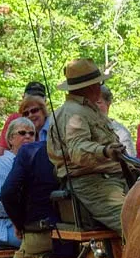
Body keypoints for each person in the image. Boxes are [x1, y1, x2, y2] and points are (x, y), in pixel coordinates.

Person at [45, 58, 127, 233]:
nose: (100, 87)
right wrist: (105, 151)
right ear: (90, 87)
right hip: (93, 185)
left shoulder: (88, 109)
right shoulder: (73, 113)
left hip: (112, 179)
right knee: (137, 224)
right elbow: (77, 150)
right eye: (99, 83)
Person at [0, 116, 36, 248]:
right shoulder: (1, 165)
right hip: (3, 227)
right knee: (41, 244)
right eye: (22, 133)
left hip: (30, 224)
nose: (28, 136)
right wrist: (23, 212)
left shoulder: (35, 163)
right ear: (11, 139)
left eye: (32, 134)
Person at [99, 84, 134, 154]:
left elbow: (129, 158)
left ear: (108, 104)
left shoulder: (120, 132)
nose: (93, 106)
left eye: (98, 102)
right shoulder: (82, 126)